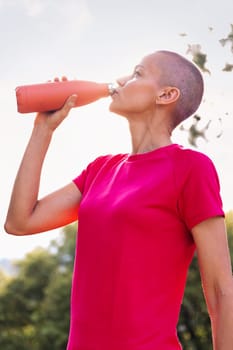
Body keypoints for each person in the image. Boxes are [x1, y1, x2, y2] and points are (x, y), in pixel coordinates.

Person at [4, 50, 233, 350]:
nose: (122, 80)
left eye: (137, 73)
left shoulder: (191, 168)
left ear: (166, 94)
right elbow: (20, 222)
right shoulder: (101, 169)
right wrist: (42, 130)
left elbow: (220, 289)